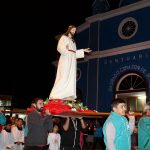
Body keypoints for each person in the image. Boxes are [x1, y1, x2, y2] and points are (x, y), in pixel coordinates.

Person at [49, 25, 92, 100]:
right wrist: (67, 52)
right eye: (73, 30)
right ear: (69, 30)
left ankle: (68, 94)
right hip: (66, 59)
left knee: (71, 77)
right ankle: (56, 95)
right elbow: (60, 47)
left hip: (72, 61)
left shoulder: (73, 41)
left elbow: (74, 52)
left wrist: (83, 51)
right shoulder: (64, 37)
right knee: (64, 76)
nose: (74, 31)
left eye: (75, 30)